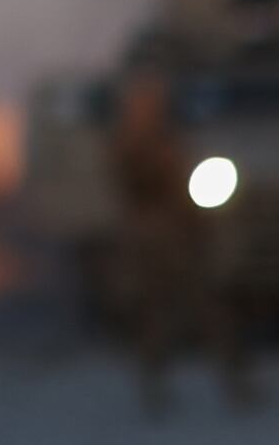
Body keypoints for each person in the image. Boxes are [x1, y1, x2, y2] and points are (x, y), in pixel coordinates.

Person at [104, 71, 260, 417]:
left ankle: (229, 382)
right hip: (157, 242)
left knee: (205, 312)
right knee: (166, 315)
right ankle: (160, 386)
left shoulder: (166, 140)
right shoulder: (134, 145)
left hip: (178, 238)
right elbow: (141, 186)